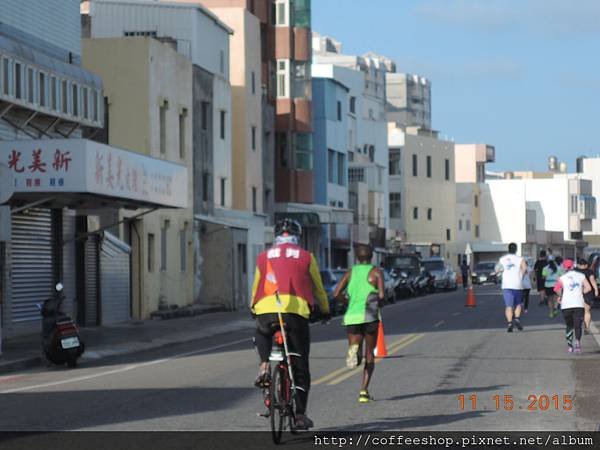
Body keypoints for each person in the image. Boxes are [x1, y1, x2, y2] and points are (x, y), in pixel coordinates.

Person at [250, 218, 330, 430]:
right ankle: (301, 415)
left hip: (266, 309)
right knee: (300, 364)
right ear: (298, 236)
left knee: (261, 330)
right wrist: (325, 309)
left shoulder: (263, 256)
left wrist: (253, 306)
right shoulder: (306, 256)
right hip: (295, 312)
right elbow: (318, 287)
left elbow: (257, 285)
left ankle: (265, 365)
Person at [333, 244, 385, 404]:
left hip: (352, 316)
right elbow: (382, 295)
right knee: (370, 354)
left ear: (357, 258)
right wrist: (378, 303)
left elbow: (336, 294)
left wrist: (347, 302)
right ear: (371, 257)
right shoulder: (376, 272)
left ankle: (354, 349)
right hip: (369, 315)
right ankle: (363, 391)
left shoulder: (350, 272)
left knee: (357, 351)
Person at [554, 259, 592, 353]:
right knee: (578, 325)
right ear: (573, 266)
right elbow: (588, 288)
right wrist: (581, 292)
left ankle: (570, 346)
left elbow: (556, 289)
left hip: (566, 305)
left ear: (564, 267)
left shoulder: (562, 277)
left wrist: (560, 296)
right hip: (578, 304)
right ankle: (578, 343)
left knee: (569, 325)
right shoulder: (581, 276)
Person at [497, 243, 527, 332]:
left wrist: (501, 273)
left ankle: (510, 323)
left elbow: (497, 269)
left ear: (508, 249)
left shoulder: (502, 259)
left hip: (506, 285)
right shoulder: (520, 259)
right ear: (516, 249)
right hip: (517, 284)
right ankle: (517, 318)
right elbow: (524, 268)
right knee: (518, 304)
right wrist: (521, 275)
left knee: (509, 305)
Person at [574, 258, 598, 334]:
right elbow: (592, 280)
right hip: (588, 293)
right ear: (586, 265)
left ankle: (578, 325)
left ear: (578, 265)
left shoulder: (575, 272)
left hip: (577, 293)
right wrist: (596, 289)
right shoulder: (589, 271)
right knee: (587, 311)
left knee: (578, 311)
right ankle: (586, 328)